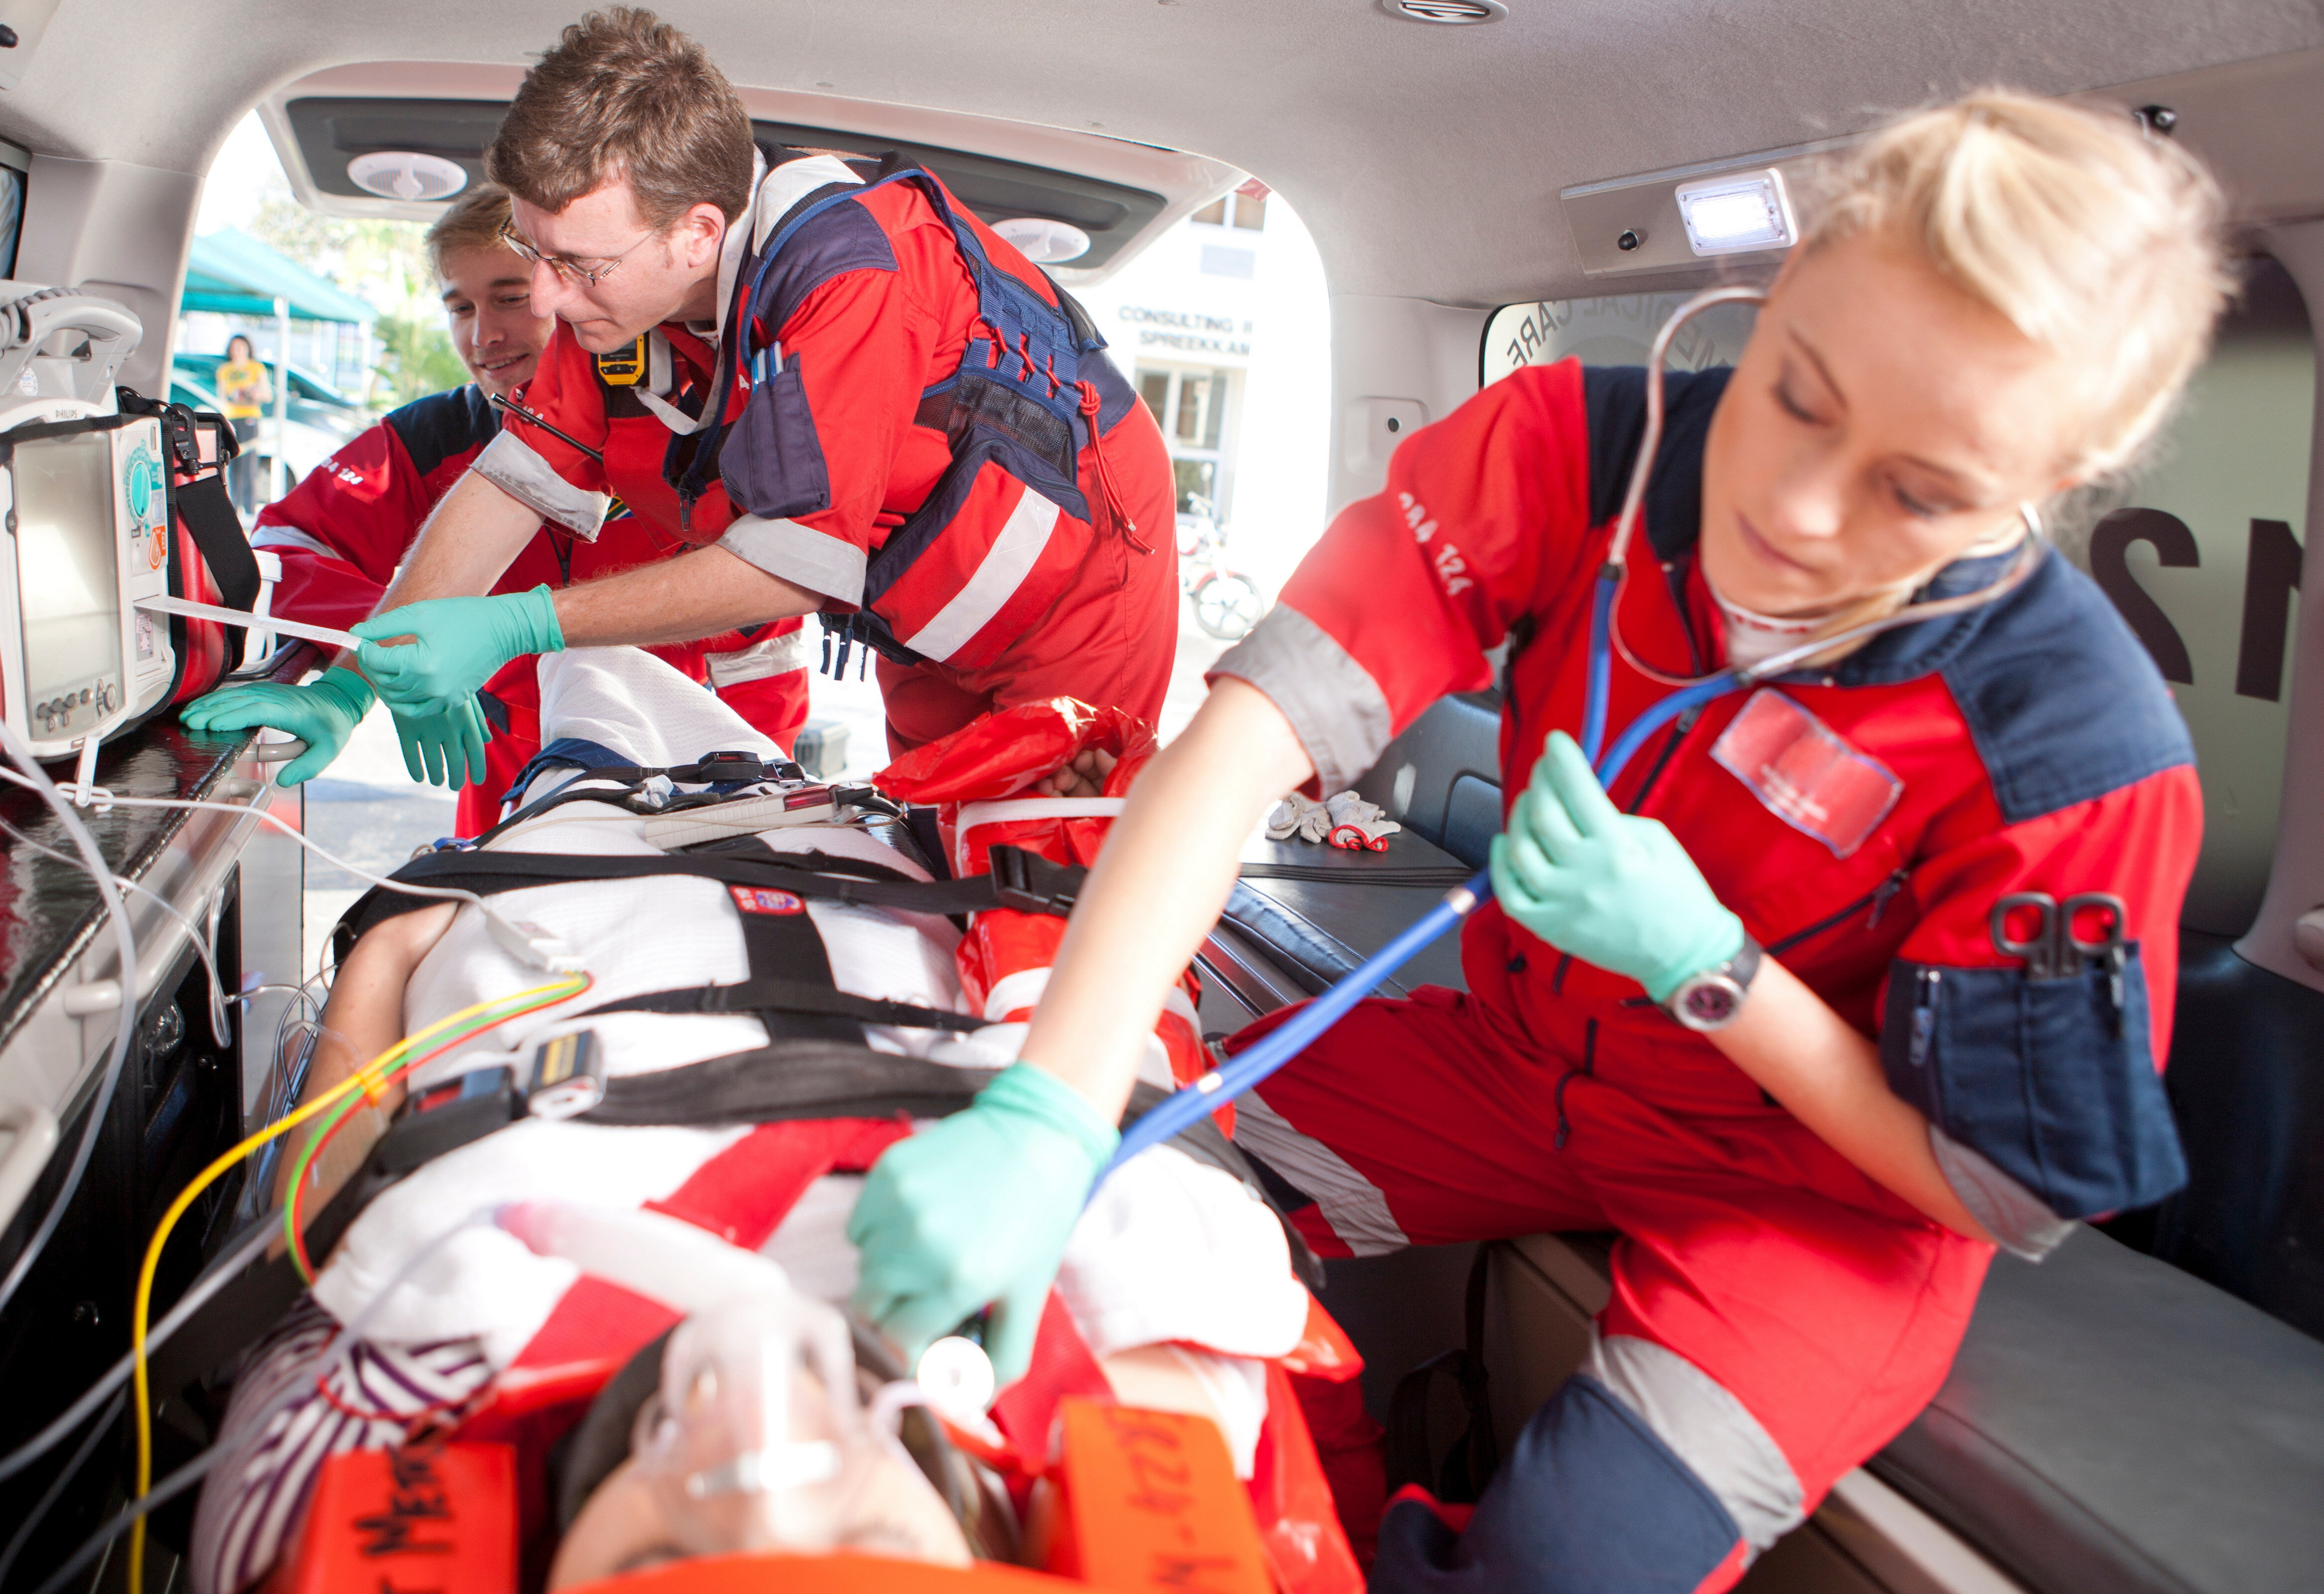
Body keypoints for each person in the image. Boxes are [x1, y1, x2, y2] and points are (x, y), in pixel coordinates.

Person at [844, 91, 2231, 1591]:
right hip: (1515, 1072)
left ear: (2041, 491)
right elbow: (1240, 742)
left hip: (1811, 1201)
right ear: (1773, 292)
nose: (1795, 508)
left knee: (1562, 1566)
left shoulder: (2072, 753)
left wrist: (1708, 970)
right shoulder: (1577, 449)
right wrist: (1051, 1109)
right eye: (1795, 393)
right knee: (1138, 1208)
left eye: (1918, 494)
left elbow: (1989, 1186)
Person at [183, 647, 1343, 1593]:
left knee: (594, 671)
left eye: (655, 1553)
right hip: (859, 854)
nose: (757, 1450)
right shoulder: (1160, 1369)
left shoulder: (386, 1397)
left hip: (581, 860)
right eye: (872, 1543)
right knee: (613, 665)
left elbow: (321, 1205)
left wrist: (405, 924)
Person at [217, 7, 1178, 777]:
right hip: (925, 621)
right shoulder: (618, 304)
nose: (547, 298)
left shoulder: (851, 274)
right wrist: (347, 687)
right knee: (942, 864)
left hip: (1079, 601)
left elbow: (793, 563)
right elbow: (516, 481)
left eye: (580, 264)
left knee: (1048, 885)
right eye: (533, 254)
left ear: (697, 234)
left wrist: (519, 622)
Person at [190, 185, 809, 833]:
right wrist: (398, 654)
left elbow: (765, 646)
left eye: (510, 297)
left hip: (678, 767)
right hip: (502, 774)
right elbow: (282, 548)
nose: (484, 334)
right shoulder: (430, 441)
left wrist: (755, 792)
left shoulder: (695, 433)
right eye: (460, 306)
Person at [214, 333, 271, 444]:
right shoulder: (224, 370)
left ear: (248, 349)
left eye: (241, 347)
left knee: (247, 456)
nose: (237, 351)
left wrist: (255, 394)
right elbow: (222, 396)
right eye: (234, 347)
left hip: (250, 416)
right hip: (230, 417)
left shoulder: (257, 368)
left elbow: (268, 395)